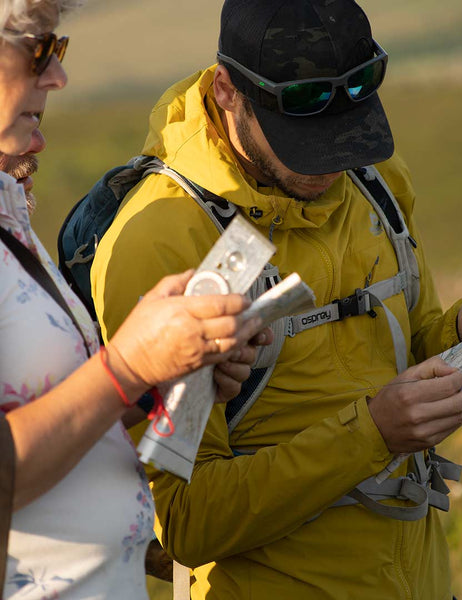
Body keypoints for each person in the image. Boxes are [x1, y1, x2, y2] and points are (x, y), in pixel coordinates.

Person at [91, 0, 462, 598]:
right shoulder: (167, 242)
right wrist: (372, 435)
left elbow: (403, 338)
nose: (331, 165)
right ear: (227, 90)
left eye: (346, 136)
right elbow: (186, 519)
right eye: (302, 141)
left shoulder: (372, 178)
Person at [0, 1, 270, 598]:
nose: (58, 76)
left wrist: (167, 380)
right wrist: (128, 368)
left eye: (59, 50)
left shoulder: (9, 210)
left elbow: (50, 417)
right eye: (39, 50)